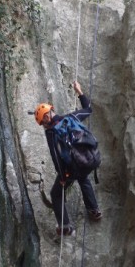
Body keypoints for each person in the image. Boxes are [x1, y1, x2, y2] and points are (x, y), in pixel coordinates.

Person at [34, 81, 102, 236]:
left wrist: (63, 175)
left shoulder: (51, 132)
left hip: (73, 167)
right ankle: (94, 211)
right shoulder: (71, 117)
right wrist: (80, 91)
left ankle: (65, 226)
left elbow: (56, 156)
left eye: (42, 123)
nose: (43, 126)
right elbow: (88, 109)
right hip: (90, 158)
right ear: (52, 110)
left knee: (56, 193)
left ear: (45, 120)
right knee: (83, 178)